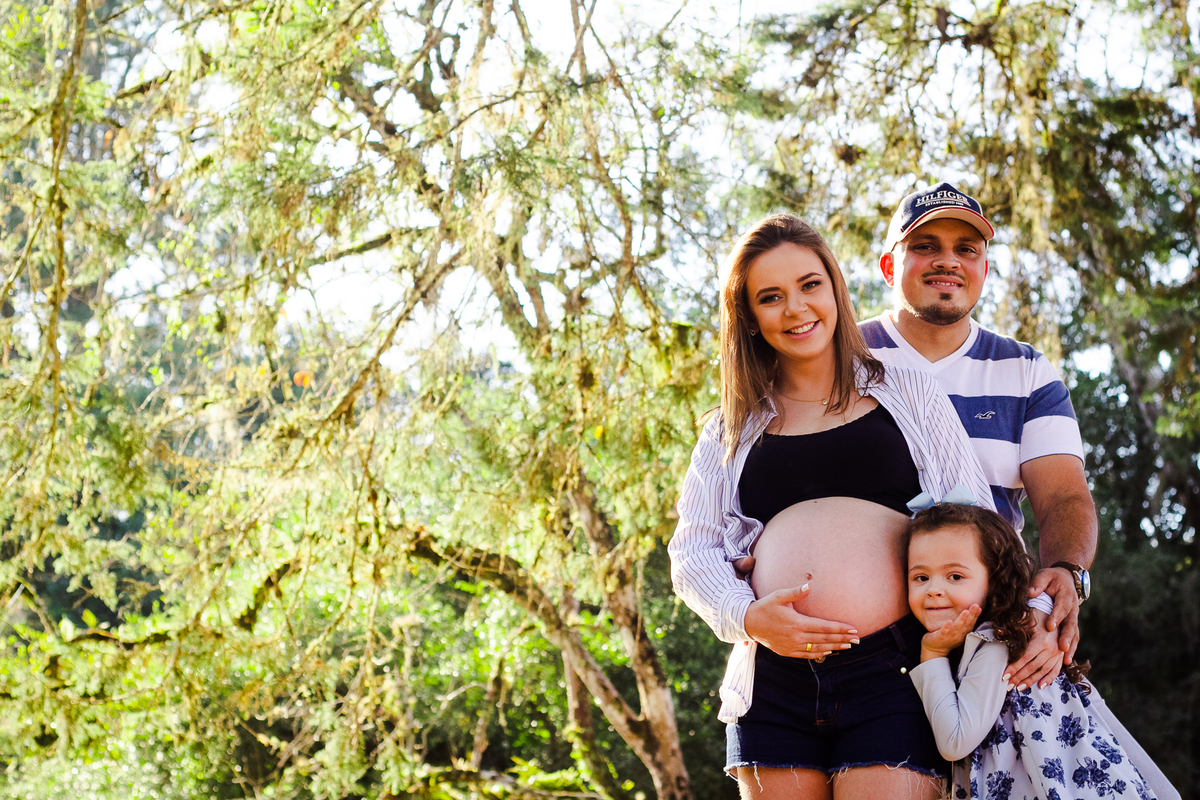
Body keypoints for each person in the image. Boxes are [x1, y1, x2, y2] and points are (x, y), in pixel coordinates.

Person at [669, 214, 994, 799]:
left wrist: (1024, 623)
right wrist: (747, 616)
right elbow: (692, 553)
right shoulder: (730, 427)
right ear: (748, 317)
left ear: (836, 288)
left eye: (809, 285)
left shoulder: (907, 389)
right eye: (771, 297)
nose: (796, 309)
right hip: (770, 681)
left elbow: (979, 522)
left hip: (895, 672)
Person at [859, 182, 1098, 692]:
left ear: (983, 270)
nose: (948, 261)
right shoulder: (842, 357)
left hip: (986, 643)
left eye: (966, 249)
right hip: (859, 638)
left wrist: (1064, 577)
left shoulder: (1026, 370)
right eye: (925, 246)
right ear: (888, 267)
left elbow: (1063, 496)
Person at [904, 501, 1175, 800]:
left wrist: (932, 654)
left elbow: (954, 740)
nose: (933, 589)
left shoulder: (995, 643)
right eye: (921, 577)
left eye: (955, 576)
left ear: (994, 580)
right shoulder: (1017, 635)